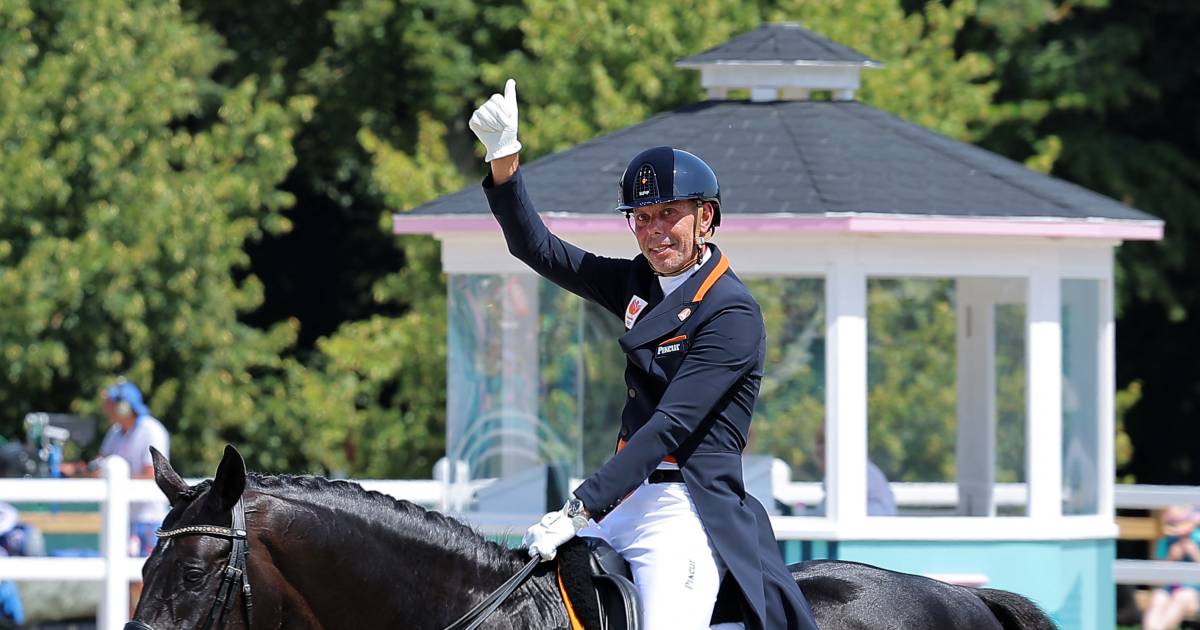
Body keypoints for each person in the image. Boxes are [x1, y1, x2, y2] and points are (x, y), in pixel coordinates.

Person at [469, 79, 819, 630]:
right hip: (622, 503)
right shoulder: (639, 282)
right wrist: (504, 162)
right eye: (641, 217)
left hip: (684, 512)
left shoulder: (731, 313)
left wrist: (580, 508)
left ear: (706, 218)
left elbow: (668, 426)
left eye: (669, 215)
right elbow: (537, 248)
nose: (654, 233)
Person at [62, 380, 170, 556]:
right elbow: (98, 465)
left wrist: (115, 481)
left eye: (110, 404)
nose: (106, 409)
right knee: (124, 578)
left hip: (148, 519)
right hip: (122, 517)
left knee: (143, 578)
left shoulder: (152, 430)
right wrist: (75, 470)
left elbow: (152, 476)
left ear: (124, 407)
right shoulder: (115, 432)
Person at [1142, 505, 1200, 630]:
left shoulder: (1197, 539)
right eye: (1173, 523)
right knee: (1158, 597)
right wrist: (1170, 558)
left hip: (1194, 593)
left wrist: (1195, 554)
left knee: (1182, 597)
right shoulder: (1166, 542)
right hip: (1170, 589)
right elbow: (1156, 578)